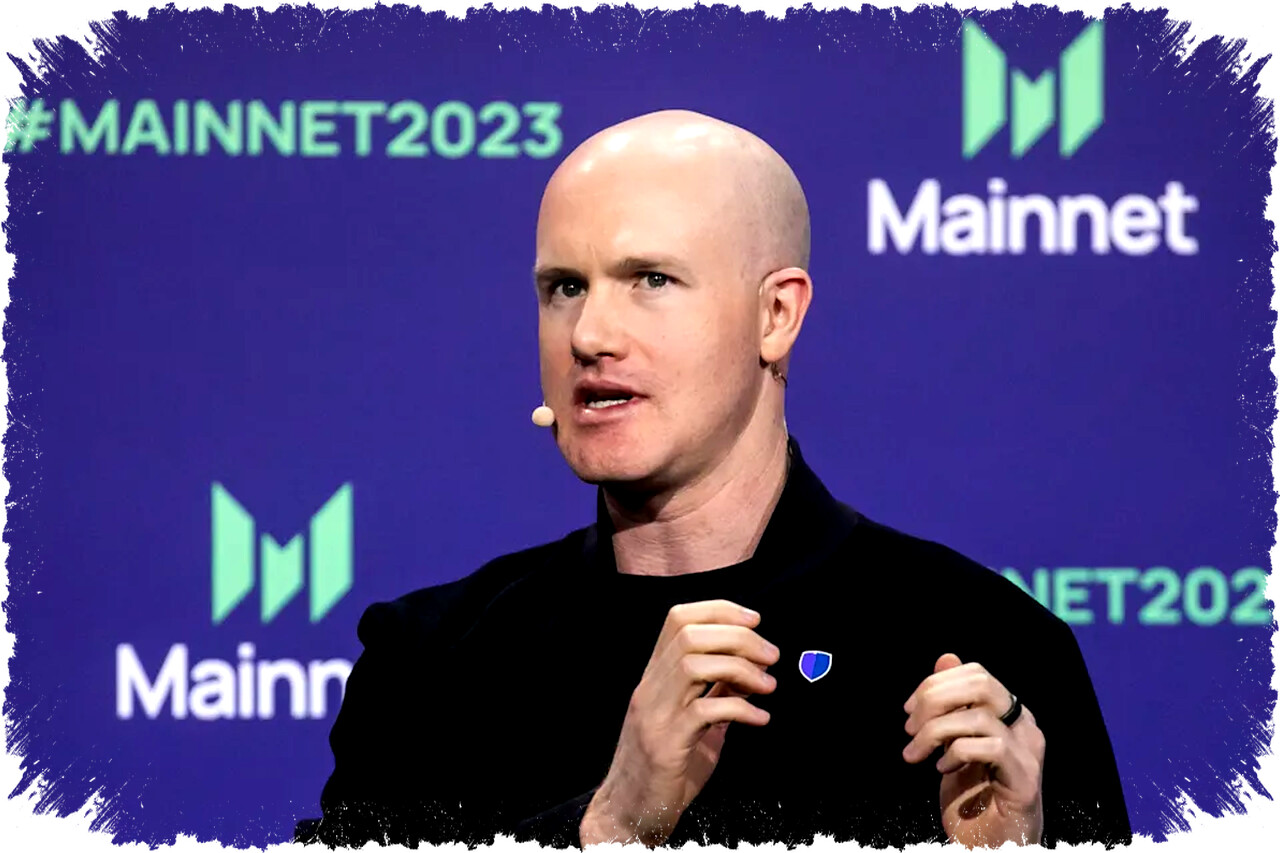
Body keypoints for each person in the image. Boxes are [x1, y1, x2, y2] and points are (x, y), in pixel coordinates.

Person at [295, 110, 1131, 849]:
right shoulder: (429, 664)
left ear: (777, 314)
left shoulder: (987, 650)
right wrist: (608, 826)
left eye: (651, 280)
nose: (589, 333)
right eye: (564, 288)